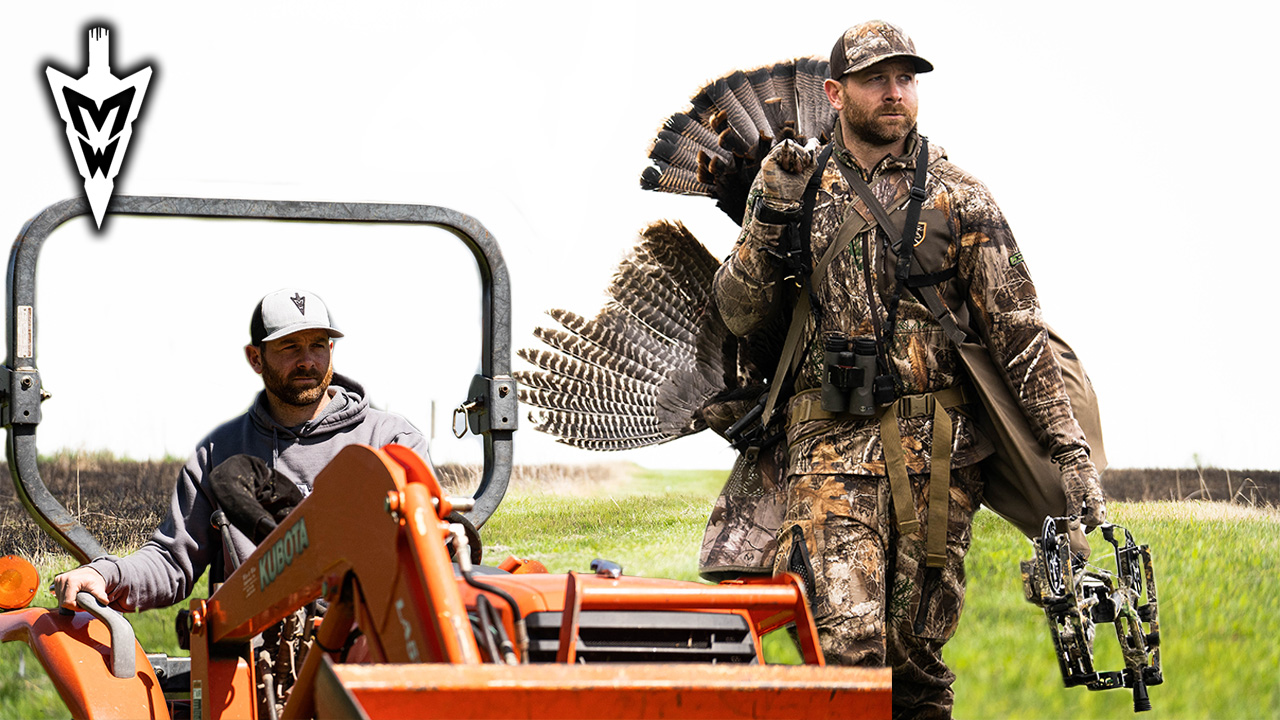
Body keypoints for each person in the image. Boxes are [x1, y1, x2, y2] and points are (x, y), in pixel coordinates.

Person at [712, 21, 1106, 718]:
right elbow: (739, 312)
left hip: (942, 463)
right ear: (835, 93)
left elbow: (1018, 334)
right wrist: (770, 208)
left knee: (917, 665)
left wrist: (1070, 453)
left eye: (906, 79)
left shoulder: (963, 197)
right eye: (876, 80)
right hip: (828, 452)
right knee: (848, 650)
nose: (895, 93)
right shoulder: (794, 189)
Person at [53, 288, 431, 612]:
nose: (307, 360)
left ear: (332, 351)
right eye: (289, 346)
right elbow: (173, 560)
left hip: (368, 642)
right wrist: (105, 572)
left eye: (318, 346)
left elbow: (427, 549)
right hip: (255, 658)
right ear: (255, 358)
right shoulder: (220, 452)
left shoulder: (389, 440)